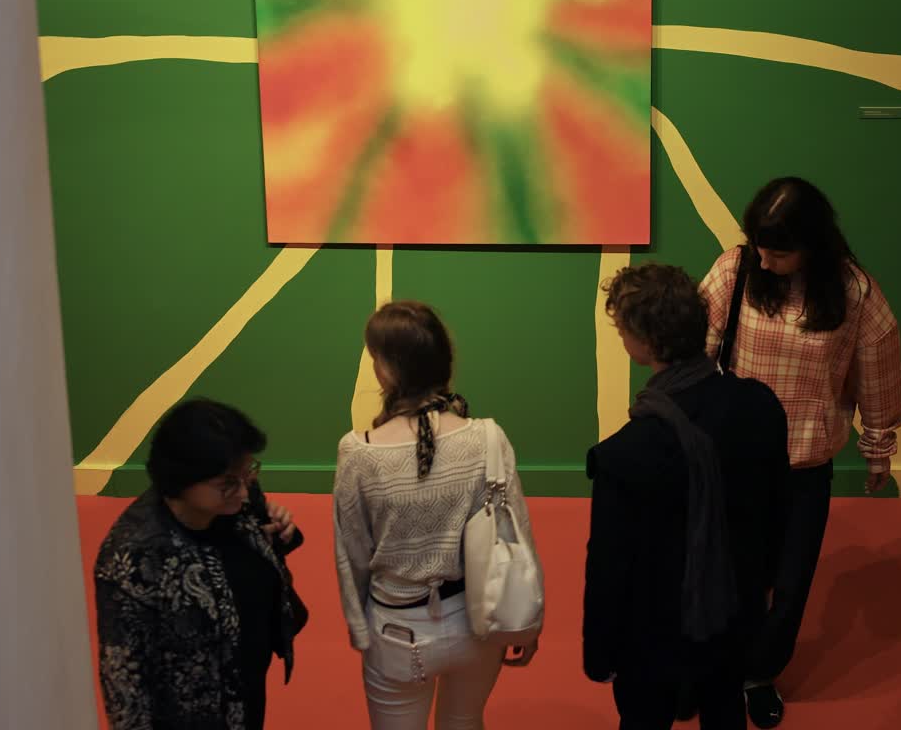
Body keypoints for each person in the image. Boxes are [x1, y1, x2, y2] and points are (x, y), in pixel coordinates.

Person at [699, 176, 901, 728]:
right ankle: (709, 667)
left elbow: (878, 366)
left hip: (807, 462)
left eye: (779, 250)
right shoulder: (735, 270)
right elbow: (695, 350)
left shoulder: (855, 293)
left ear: (812, 243)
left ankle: (758, 673)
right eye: (759, 245)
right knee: (726, 571)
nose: (765, 260)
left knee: (789, 583)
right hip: (733, 456)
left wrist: (878, 447)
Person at [584, 263, 790, 729]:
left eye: (621, 329)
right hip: (735, 615)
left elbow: (609, 566)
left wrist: (600, 654)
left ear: (644, 342)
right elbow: (777, 512)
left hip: (651, 636)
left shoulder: (625, 454)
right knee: (725, 712)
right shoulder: (760, 406)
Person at [333, 301, 541, 730]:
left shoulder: (358, 452)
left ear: (387, 371)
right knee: (465, 721)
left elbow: (352, 553)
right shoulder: (488, 438)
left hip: (396, 633)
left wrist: (359, 627)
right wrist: (529, 620)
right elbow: (516, 532)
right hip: (479, 623)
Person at [94, 399, 306, 729]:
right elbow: (125, 683)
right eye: (228, 483)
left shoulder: (234, 501)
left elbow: (258, 556)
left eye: (248, 474)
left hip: (245, 694)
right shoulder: (134, 558)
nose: (244, 491)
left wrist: (278, 532)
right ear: (183, 478)